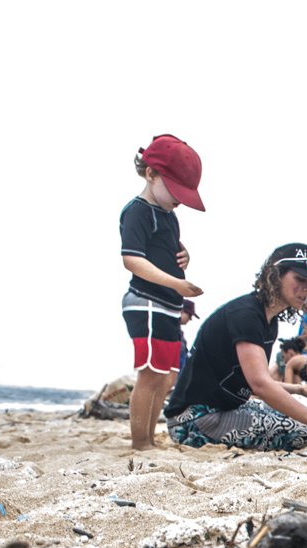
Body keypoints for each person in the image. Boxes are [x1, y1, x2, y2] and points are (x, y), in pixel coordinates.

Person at [164, 243, 307, 450]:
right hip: (193, 419)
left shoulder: (268, 321)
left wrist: (300, 389)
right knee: (304, 429)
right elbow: (260, 384)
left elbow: (253, 379)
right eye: (300, 279)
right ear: (275, 275)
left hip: (224, 407)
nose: (306, 289)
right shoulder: (246, 314)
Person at [120, 134, 206, 451]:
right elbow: (132, 259)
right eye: (175, 190)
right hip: (147, 302)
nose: (179, 199)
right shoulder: (138, 211)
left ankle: (150, 438)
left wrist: (184, 255)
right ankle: (140, 442)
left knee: (168, 377)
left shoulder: (168, 215)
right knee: (151, 374)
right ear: (151, 173)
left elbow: (166, 246)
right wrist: (177, 284)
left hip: (168, 306)